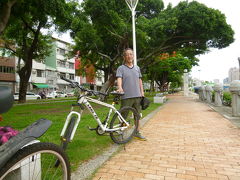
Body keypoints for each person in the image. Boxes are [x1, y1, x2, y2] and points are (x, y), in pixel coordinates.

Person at [116, 48, 146, 141]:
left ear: (133, 56)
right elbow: (119, 78)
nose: (129, 56)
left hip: (137, 96)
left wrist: (142, 91)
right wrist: (120, 87)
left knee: (137, 116)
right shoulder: (121, 68)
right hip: (126, 96)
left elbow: (139, 80)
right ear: (124, 57)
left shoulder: (137, 68)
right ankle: (121, 132)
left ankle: (137, 132)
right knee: (123, 116)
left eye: (131, 54)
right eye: (127, 54)